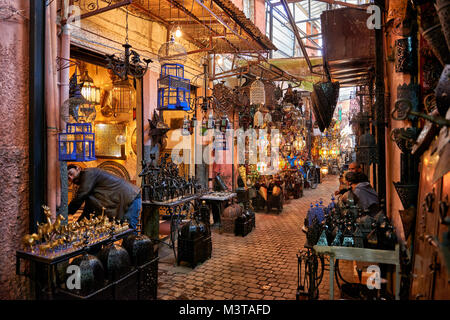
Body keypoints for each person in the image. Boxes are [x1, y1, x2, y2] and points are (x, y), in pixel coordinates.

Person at [67, 164, 142, 229]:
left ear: (78, 168)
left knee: (128, 232)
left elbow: (81, 195)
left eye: (71, 173)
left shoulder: (88, 173)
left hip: (131, 198)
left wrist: (65, 212)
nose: (71, 178)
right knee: (119, 232)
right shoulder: (88, 185)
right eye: (68, 178)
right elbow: (88, 210)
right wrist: (74, 227)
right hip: (126, 200)